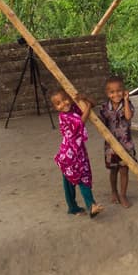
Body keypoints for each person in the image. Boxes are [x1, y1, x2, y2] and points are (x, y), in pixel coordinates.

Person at [51, 89, 104, 218]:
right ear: (55, 107)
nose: (63, 104)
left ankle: (75, 207)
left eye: (64, 99)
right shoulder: (64, 117)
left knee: (71, 181)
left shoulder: (74, 108)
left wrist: (84, 97)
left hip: (76, 153)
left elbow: (93, 103)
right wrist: (89, 106)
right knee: (81, 179)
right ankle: (89, 206)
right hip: (70, 156)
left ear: (69, 97)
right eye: (59, 103)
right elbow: (81, 121)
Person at [97, 75, 136, 208]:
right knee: (113, 171)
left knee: (124, 170)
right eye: (112, 92)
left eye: (119, 91)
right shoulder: (104, 107)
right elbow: (100, 124)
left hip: (126, 144)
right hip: (111, 146)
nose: (116, 94)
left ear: (124, 91)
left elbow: (128, 116)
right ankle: (114, 191)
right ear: (107, 93)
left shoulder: (128, 104)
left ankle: (123, 195)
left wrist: (126, 100)